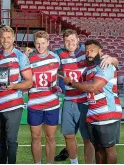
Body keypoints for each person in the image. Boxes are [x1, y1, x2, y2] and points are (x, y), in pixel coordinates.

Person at [25, 29, 119, 164]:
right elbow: (43, 53)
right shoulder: (59, 54)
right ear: (63, 42)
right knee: (68, 136)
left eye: (73, 40)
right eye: (67, 41)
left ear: (78, 40)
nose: (70, 43)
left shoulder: (87, 53)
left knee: (88, 139)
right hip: (69, 100)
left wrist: (113, 59)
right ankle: (74, 162)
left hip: (86, 100)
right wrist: (29, 52)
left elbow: (110, 61)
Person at [60, 39, 122, 164]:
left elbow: (93, 87)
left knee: (109, 149)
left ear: (100, 51)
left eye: (92, 50)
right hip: (93, 114)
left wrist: (71, 83)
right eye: (87, 51)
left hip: (107, 113)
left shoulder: (106, 65)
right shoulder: (88, 69)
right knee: (98, 149)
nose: (89, 53)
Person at [0, 26, 33, 164]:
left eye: (8, 37)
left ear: (14, 38)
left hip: (14, 105)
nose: (5, 40)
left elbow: (29, 82)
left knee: (11, 140)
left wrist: (14, 86)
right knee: (0, 141)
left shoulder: (20, 56)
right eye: (3, 37)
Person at [27, 31, 60, 164]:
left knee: (50, 137)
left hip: (52, 103)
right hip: (34, 103)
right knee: (35, 137)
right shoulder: (29, 59)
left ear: (48, 43)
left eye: (42, 43)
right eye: (37, 44)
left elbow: (61, 74)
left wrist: (59, 85)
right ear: (34, 44)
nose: (40, 46)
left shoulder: (55, 58)